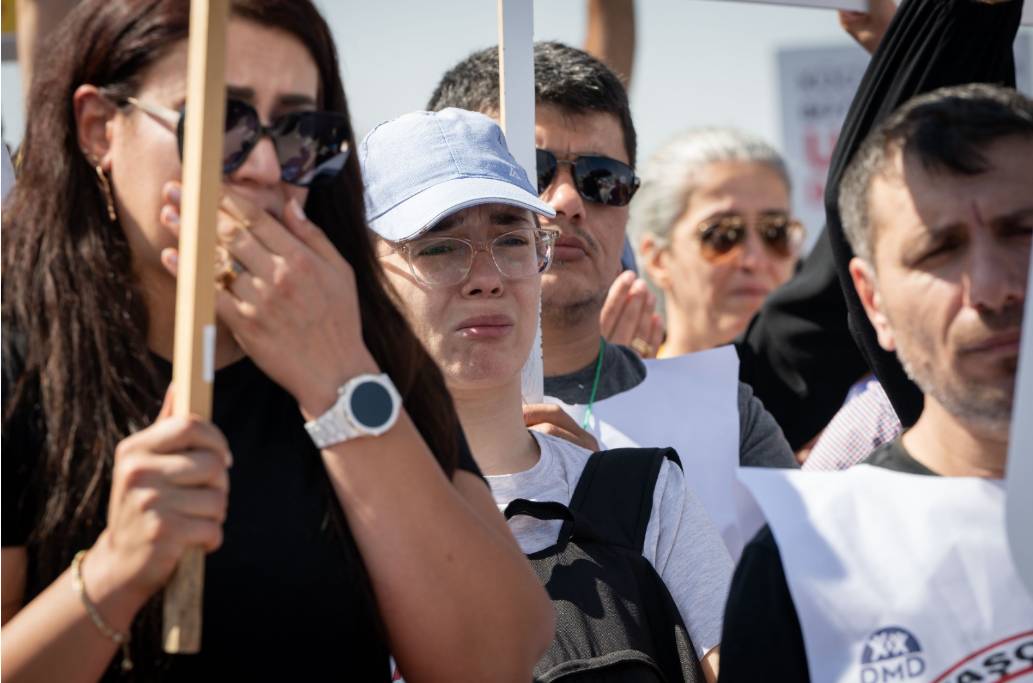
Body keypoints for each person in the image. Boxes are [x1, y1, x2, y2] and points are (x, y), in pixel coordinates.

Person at [0, 1, 553, 680]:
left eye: (296, 131)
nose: (264, 165)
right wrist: (115, 571)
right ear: (98, 130)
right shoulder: (20, 358)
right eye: (219, 122)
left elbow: (494, 657)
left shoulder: (367, 344)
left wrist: (340, 382)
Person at [361, 106, 731, 683]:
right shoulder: (331, 513)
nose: (486, 276)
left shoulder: (644, 499)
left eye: (511, 239)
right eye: (438, 246)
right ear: (368, 281)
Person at [428, 41, 796, 560]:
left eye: (603, 179)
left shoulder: (726, 413)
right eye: (529, 171)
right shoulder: (380, 419)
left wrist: (618, 511)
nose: (567, 202)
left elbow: (809, 615)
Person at [720, 82, 1033, 682]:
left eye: (1021, 230)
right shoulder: (806, 559)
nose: (992, 289)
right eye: (940, 250)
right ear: (873, 301)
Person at [627, 127, 805, 357]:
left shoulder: (842, 390)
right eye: (722, 236)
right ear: (657, 259)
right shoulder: (626, 391)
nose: (754, 260)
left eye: (776, 233)